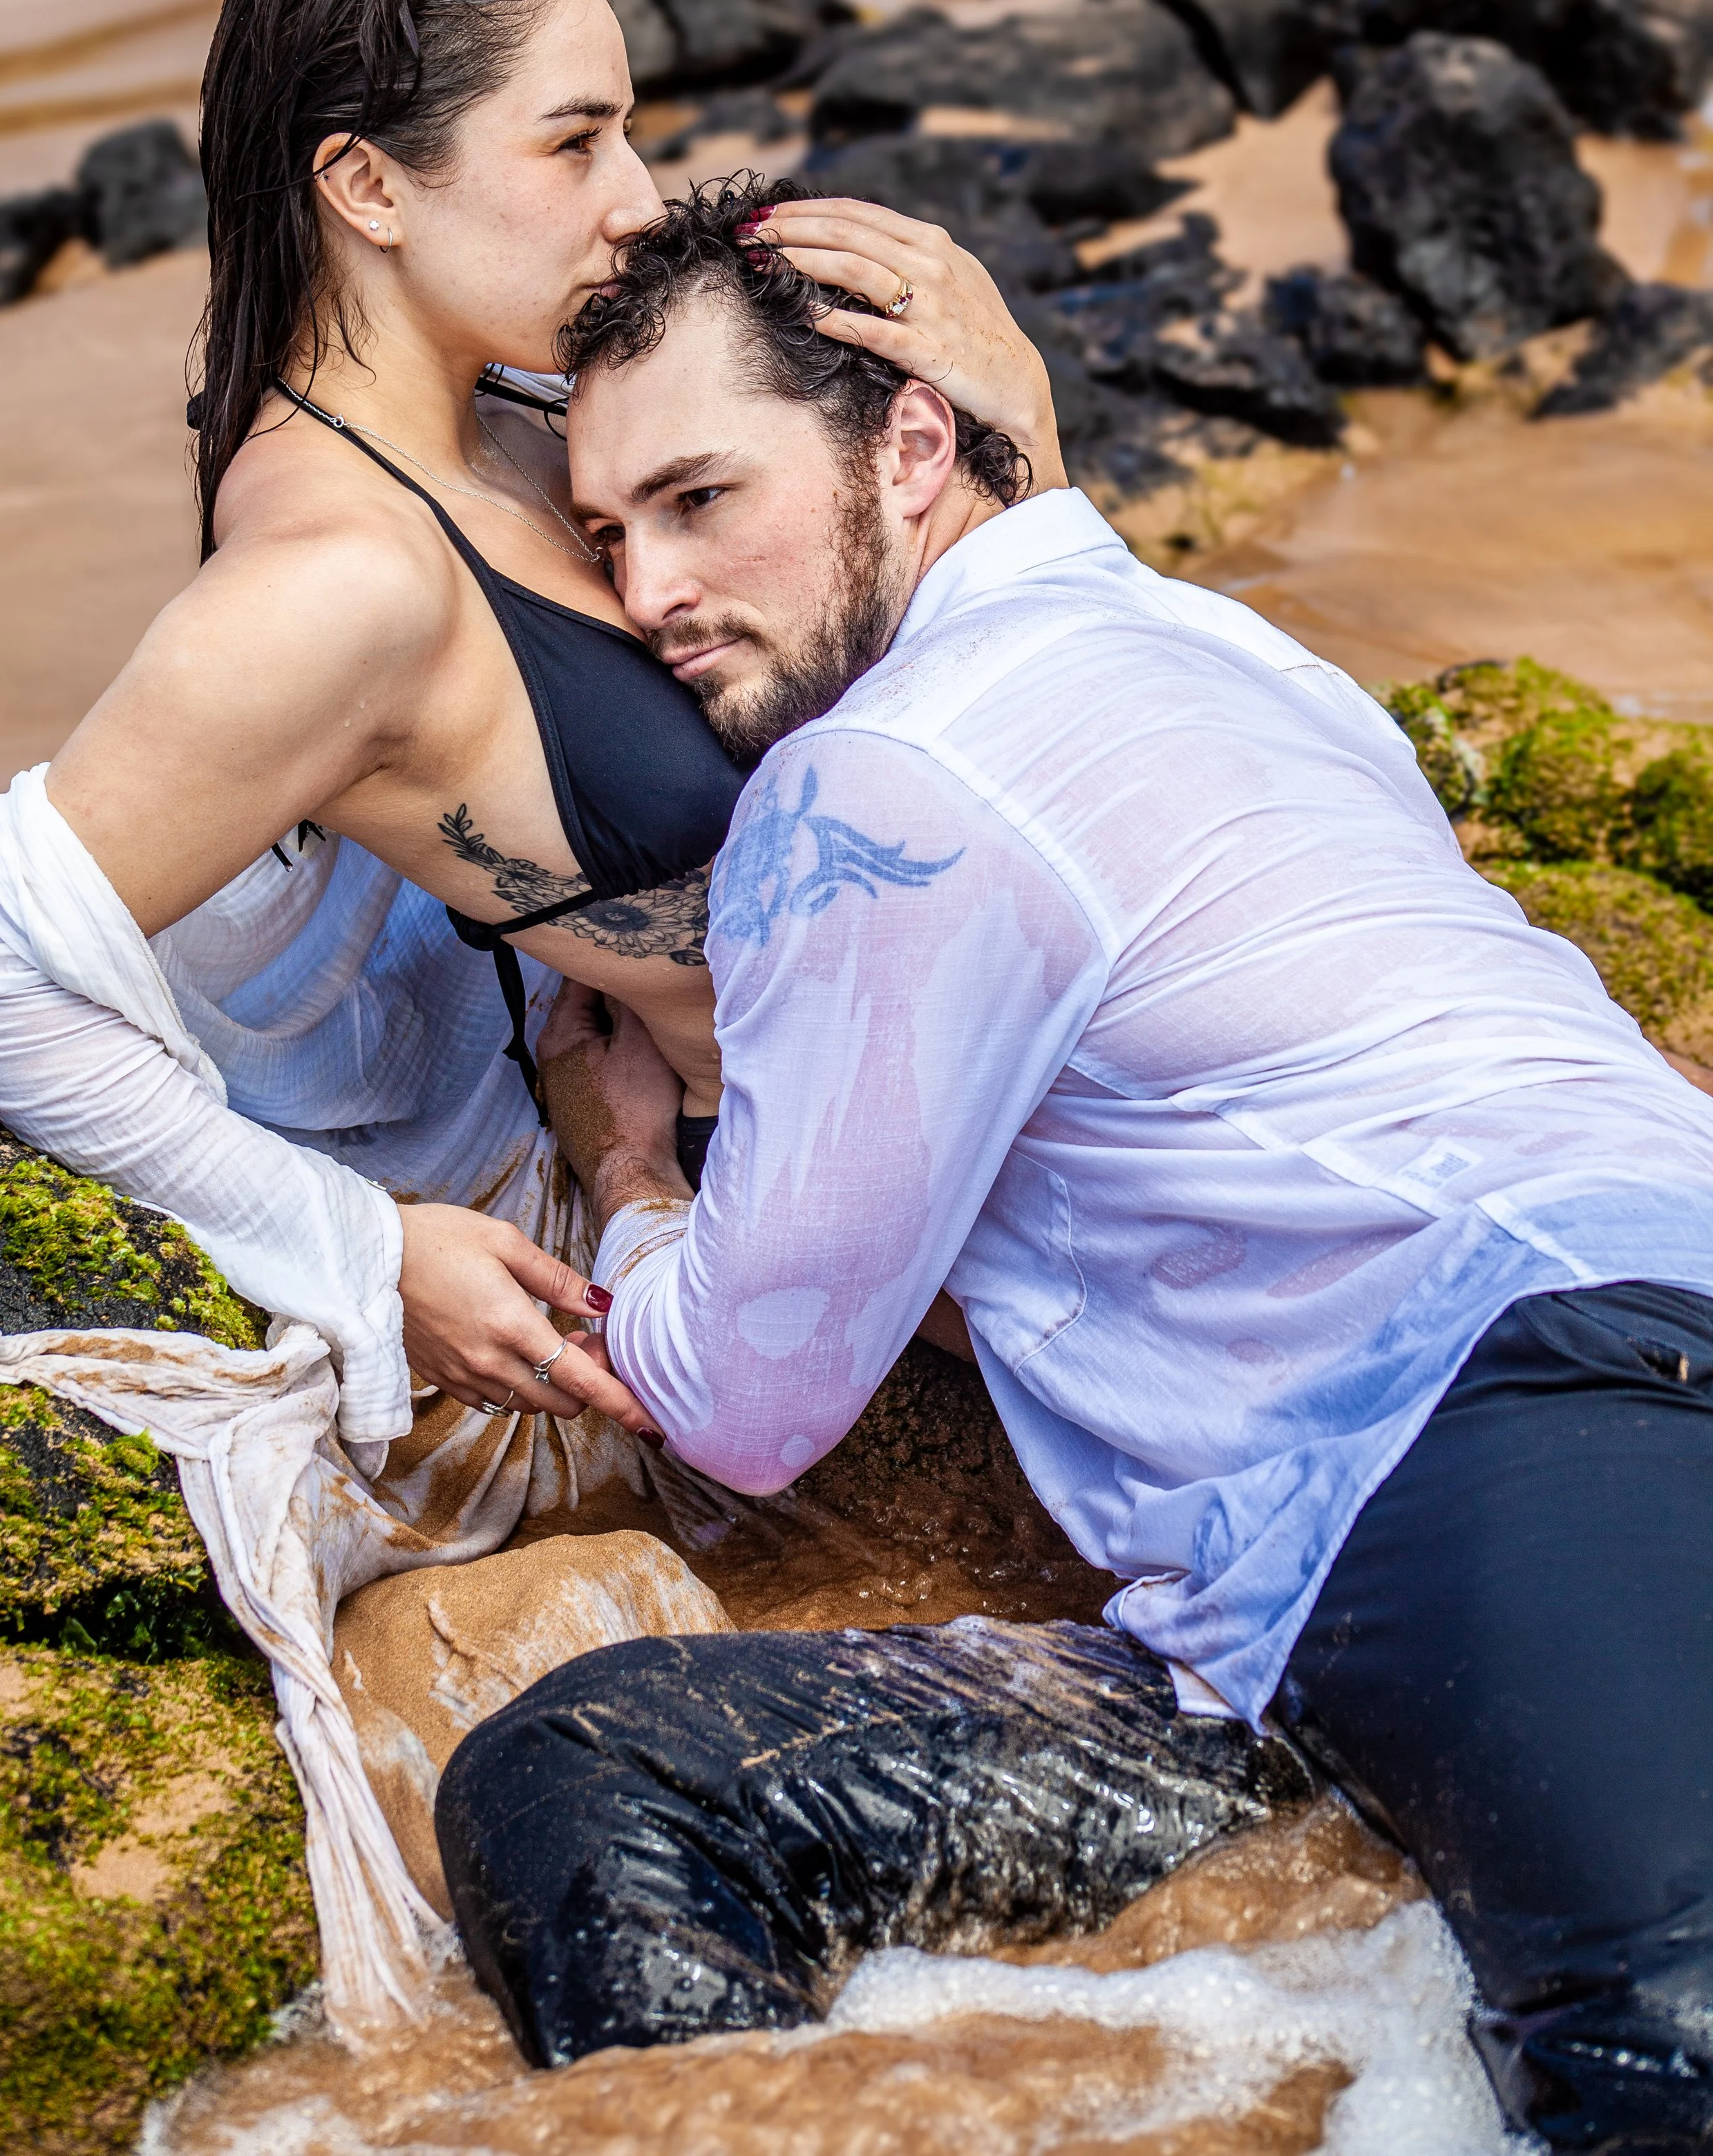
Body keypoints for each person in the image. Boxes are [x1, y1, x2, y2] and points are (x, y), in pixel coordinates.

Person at [441, 175, 1713, 2153]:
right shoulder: (1238, 653)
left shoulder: (876, 777)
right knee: (606, 1766)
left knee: (1662, 2066)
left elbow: (741, 1395)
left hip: (1526, 1410)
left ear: (911, 440)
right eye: (606, 535)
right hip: (1374, 1548)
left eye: (702, 498)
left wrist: (627, 1162)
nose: (652, 590)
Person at [0, 0, 1061, 1448]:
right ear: (365, 185)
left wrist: (1013, 425)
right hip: (909, 1219)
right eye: (572, 143)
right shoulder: (338, 581)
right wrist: (354, 1244)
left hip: (1018, 1059)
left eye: (623, 131)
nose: (633, 197)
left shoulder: (535, 426)